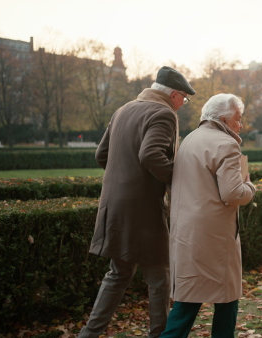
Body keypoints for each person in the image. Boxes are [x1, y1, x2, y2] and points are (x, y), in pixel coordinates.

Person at [78, 66, 195, 338]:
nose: (182, 105)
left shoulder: (123, 109)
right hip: (144, 210)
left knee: (118, 274)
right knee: (159, 277)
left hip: (114, 206)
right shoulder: (163, 113)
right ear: (174, 95)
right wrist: (176, 182)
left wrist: (124, 179)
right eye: (184, 100)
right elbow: (151, 154)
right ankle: (160, 335)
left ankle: (88, 335)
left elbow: (101, 155)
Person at [161, 94, 256, 338]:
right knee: (227, 298)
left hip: (186, 233)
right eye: (238, 118)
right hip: (215, 237)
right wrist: (250, 187)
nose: (241, 124)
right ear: (224, 119)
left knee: (186, 301)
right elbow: (233, 193)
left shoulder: (189, 139)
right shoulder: (227, 144)